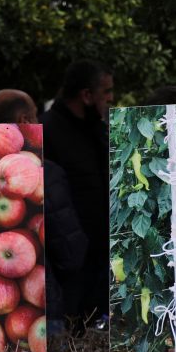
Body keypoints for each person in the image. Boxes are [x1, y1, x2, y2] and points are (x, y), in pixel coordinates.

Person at [41, 61, 114, 327]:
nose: (110, 98)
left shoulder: (99, 130)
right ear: (86, 95)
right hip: (69, 268)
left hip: (99, 261)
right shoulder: (46, 131)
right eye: (106, 91)